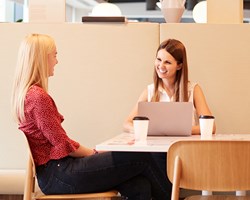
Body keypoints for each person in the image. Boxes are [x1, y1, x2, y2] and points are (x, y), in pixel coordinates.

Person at [11, 34, 172, 200]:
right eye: (55, 55)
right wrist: (95, 153)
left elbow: (60, 141)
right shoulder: (38, 97)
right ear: (42, 58)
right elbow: (62, 143)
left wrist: (98, 153)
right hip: (59, 174)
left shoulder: (29, 95)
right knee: (142, 155)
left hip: (57, 173)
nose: (57, 61)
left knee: (138, 185)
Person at [123, 38, 216, 176]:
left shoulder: (193, 90)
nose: (161, 66)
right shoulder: (150, 91)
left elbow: (211, 127)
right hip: (155, 152)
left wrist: (180, 130)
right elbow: (126, 123)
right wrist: (143, 131)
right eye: (158, 59)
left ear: (179, 65)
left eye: (167, 62)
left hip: (184, 153)